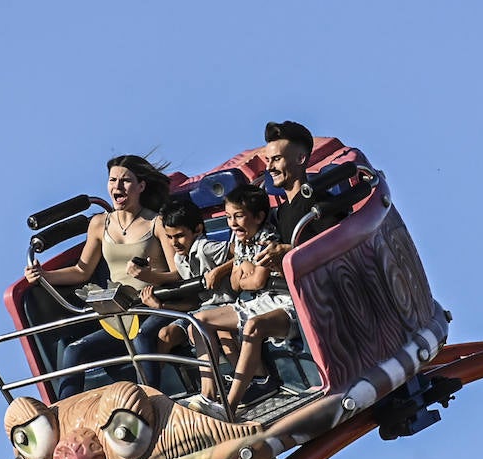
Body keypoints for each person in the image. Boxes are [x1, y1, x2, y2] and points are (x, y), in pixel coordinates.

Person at [24, 154, 173, 398]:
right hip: (119, 314)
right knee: (74, 351)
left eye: (125, 180)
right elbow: (82, 271)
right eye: (113, 180)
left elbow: (176, 273)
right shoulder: (99, 224)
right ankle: (65, 414)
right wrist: (43, 275)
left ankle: (151, 403)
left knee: (143, 340)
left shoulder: (156, 223)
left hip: (149, 306)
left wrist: (148, 275)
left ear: (141, 186)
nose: (117, 186)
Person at [185, 183, 291, 420]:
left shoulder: (267, 238)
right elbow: (236, 282)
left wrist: (244, 270)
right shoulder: (240, 239)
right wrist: (246, 269)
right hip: (259, 301)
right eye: (228, 217)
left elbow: (256, 282)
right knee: (198, 321)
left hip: (282, 301)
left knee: (253, 326)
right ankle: (208, 395)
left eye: (239, 216)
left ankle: (229, 409)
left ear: (259, 217)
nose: (232, 223)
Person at [138, 195, 232, 357]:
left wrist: (219, 271)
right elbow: (193, 303)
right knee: (165, 335)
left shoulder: (205, 247)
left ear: (198, 229)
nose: (174, 243)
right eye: (169, 237)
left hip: (225, 306)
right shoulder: (179, 259)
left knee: (200, 329)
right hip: (202, 308)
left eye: (179, 235)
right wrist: (160, 307)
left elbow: (242, 253)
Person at [254, 120, 348, 272]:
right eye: (268, 160)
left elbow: (340, 247)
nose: (269, 167)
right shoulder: (282, 212)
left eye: (277, 159)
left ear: (300, 159)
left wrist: (290, 251)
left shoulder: (318, 201)